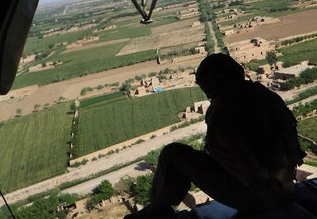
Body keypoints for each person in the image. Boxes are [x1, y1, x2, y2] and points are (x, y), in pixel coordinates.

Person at [124, 53, 305, 219]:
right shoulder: (266, 96)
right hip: (285, 186)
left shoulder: (225, 111)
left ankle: (157, 212)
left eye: (205, 84)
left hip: (260, 195)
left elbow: (244, 167)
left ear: (216, 81)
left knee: (173, 154)